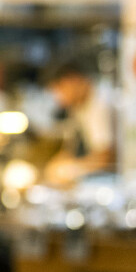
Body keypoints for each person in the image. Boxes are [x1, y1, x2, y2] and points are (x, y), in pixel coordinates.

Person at [41, 55, 116, 186]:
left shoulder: (101, 102)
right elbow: (70, 148)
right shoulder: (78, 107)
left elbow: (105, 158)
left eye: (59, 90)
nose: (59, 99)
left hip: (115, 179)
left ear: (73, 80)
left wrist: (71, 169)